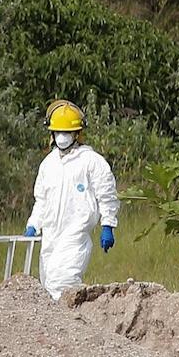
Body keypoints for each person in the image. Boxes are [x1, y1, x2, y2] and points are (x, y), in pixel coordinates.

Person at [24, 100, 119, 300]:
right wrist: (33, 224)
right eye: (58, 132)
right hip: (50, 235)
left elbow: (107, 194)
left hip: (76, 233)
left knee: (62, 282)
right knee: (48, 285)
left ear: (77, 134)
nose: (62, 137)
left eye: (67, 132)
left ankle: (69, 325)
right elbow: (41, 200)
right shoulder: (48, 164)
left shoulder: (91, 161)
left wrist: (108, 224)